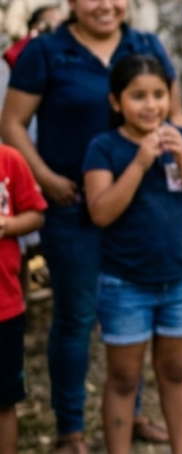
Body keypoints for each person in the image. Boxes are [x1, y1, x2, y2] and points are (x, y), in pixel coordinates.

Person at [0, 0, 176, 454]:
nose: (106, 5)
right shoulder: (46, 52)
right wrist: (46, 179)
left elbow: (174, 117)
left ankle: (133, 413)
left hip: (138, 208)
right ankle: (69, 429)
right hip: (71, 206)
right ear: (71, 1)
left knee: (133, 316)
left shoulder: (145, 46)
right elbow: (11, 124)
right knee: (76, 316)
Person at [81, 55, 182, 454]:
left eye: (159, 94)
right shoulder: (104, 148)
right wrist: (140, 162)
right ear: (115, 101)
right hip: (124, 284)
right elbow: (101, 211)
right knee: (124, 377)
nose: (151, 105)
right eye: (138, 96)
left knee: (175, 370)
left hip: (177, 279)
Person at [0, 145, 46, 454]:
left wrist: (7, 225)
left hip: (5, 309)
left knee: (4, 399)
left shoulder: (9, 160)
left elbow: (35, 214)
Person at [3, 5, 64, 70]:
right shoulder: (28, 45)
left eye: (61, 20)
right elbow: (11, 58)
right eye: (53, 18)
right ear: (36, 26)